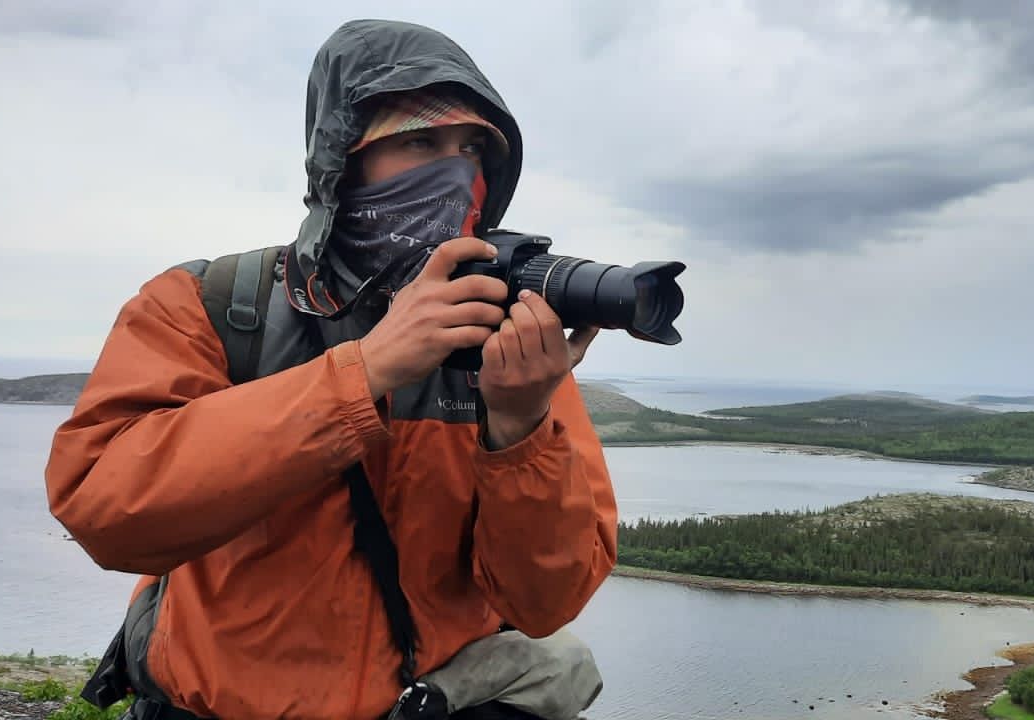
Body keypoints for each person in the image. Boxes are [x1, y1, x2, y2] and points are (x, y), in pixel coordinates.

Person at [43, 18, 617, 720]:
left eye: (473, 150)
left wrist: (521, 430)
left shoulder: (502, 347)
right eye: (420, 142)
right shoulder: (208, 306)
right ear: (342, 158)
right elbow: (106, 512)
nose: (458, 171)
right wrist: (366, 370)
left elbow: (543, 602)